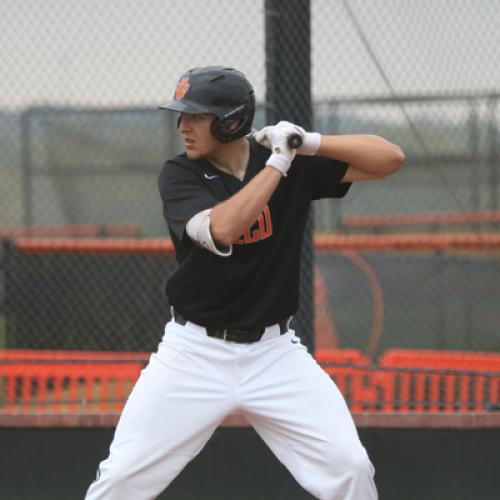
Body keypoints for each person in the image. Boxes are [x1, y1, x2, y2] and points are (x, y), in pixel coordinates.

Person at [85, 66, 405, 500]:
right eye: (182, 116)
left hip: (274, 354)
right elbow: (225, 229)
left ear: (230, 121)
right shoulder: (180, 175)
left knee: (349, 468)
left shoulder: (292, 162)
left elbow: (390, 159)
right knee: (121, 479)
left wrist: (306, 142)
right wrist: (279, 163)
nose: (183, 126)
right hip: (193, 353)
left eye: (195, 116)